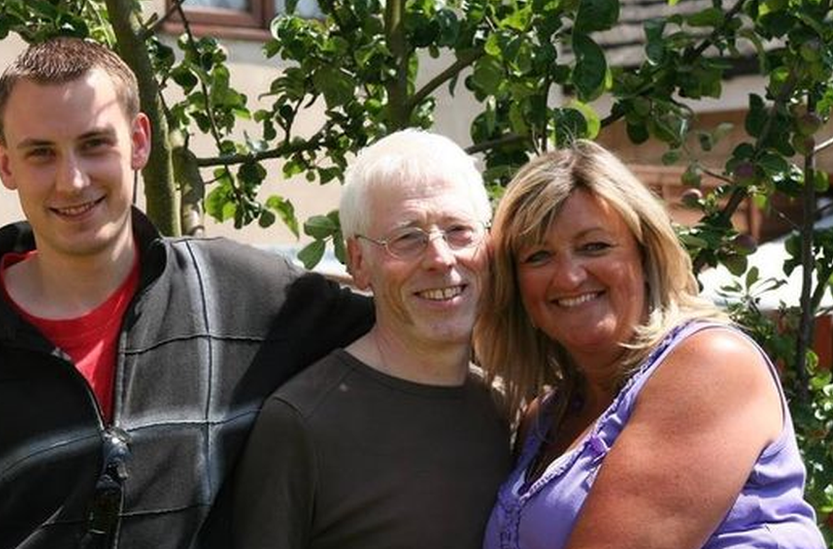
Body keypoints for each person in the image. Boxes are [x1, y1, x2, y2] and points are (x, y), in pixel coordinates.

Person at [0, 37, 373, 549]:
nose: (72, 181)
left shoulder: (239, 293)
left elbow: (407, 329)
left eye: (94, 144)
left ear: (140, 141)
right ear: (5, 161)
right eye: (41, 153)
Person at [475, 139, 825, 549]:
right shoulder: (543, 419)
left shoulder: (711, 368)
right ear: (514, 284)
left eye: (595, 247)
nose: (569, 277)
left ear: (644, 255)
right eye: (538, 256)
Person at [232, 129, 512, 549]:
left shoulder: (510, 412)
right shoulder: (303, 424)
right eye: (408, 237)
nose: (440, 257)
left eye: (458, 230)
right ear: (359, 261)